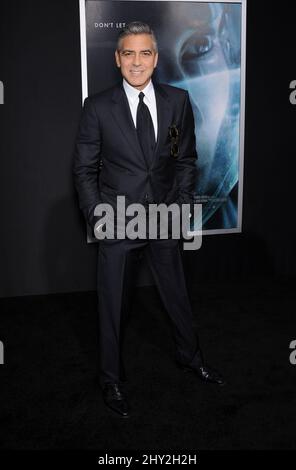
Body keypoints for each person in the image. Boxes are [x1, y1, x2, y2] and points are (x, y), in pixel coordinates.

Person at [73, 22, 224, 418]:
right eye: (128, 53)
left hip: (164, 216)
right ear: (117, 59)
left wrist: (184, 205)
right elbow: (84, 170)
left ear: (155, 59)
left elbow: (185, 158)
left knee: (176, 293)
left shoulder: (178, 100)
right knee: (111, 304)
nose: (136, 62)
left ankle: (190, 357)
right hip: (117, 218)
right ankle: (110, 378)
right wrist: (96, 216)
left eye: (144, 53)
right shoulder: (98, 106)